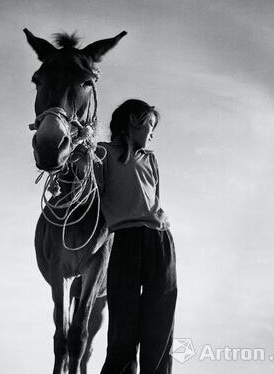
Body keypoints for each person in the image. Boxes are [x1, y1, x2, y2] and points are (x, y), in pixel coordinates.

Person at [95, 99, 177, 374]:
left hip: (159, 240)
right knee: (123, 326)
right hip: (124, 240)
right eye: (150, 125)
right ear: (134, 120)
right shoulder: (101, 153)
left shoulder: (151, 158)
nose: (152, 133)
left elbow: (155, 200)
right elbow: (89, 194)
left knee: (160, 322)